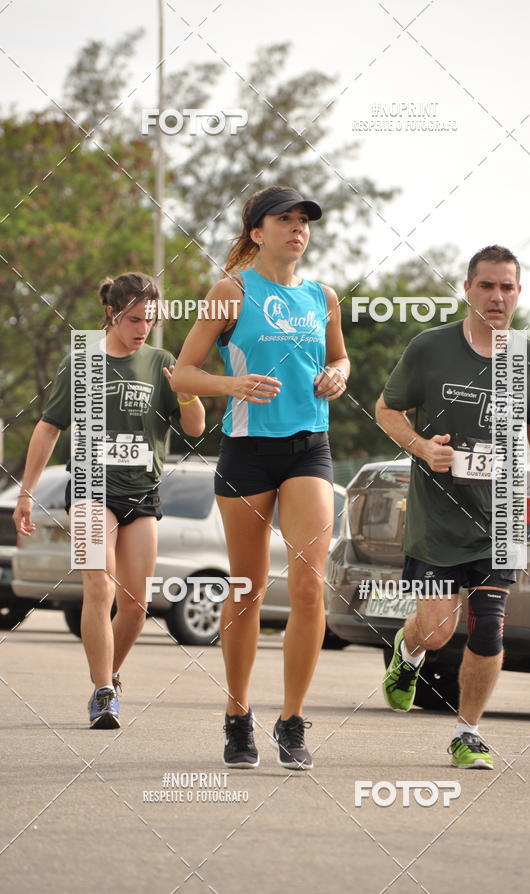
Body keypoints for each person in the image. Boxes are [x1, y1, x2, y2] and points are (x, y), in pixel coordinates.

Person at [172, 185, 349, 769]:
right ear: (256, 232)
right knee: (246, 588)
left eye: (304, 221)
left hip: (309, 449)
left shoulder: (323, 297)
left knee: (308, 586)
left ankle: (292, 721)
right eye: (284, 220)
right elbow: (183, 373)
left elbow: (339, 357)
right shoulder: (230, 292)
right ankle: (237, 714)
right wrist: (232, 385)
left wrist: (339, 375)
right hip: (247, 451)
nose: (297, 229)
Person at [375, 245, 530, 769]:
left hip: (500, 515)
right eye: (487, 285)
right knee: (437, 629)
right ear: (467, 289)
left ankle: (468, 733)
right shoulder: (430, 348)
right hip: (438, 516)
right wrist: (421, 447)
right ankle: (408, 651)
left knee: (489, 625)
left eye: (507, 287)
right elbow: (386, 410)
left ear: (518, 293)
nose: (497, 296)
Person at [13, 273, 205, 728]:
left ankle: (108, 676)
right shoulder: (81, 362)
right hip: (89, 489)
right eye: (134, 319)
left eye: (150, 320)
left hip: (142, 491)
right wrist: (26, 491)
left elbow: (195, 428)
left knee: (136, 605)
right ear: (112, 314)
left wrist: (186, 391)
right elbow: (49, 426)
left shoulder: (162, 361)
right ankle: (103, 692)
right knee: (99, 586)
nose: (143, 328)